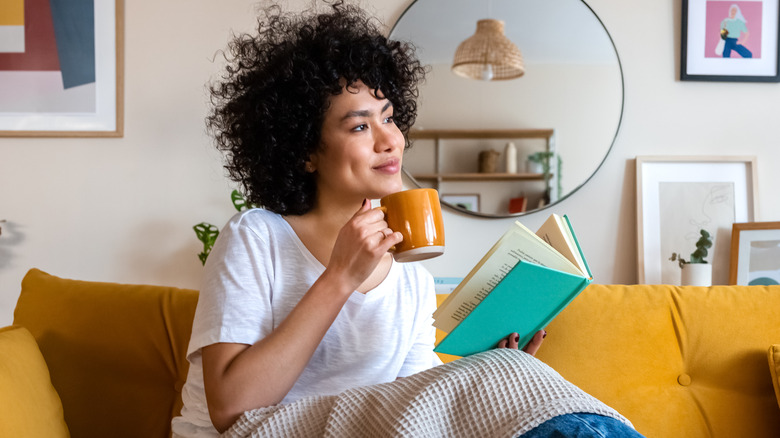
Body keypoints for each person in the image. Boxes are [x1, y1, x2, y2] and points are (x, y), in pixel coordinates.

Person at [171, 2, 643, 437]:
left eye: (389, 117)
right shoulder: (256, 236)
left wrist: (488, 369)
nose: (390, 141)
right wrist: (339, 279)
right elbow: (231, 409)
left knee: (513, 375)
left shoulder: (411, 279)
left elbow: (417, 415)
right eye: (359, 126)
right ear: (305, 152)